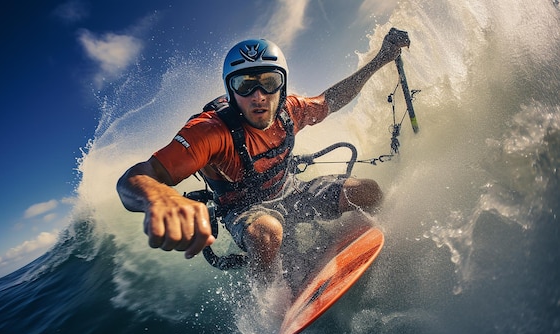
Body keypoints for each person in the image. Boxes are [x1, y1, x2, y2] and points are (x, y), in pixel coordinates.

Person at [117, 28, 410, 278]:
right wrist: (156, 196)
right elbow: (137, 177)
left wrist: (381, 59)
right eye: (244, 85)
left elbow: (332, 99)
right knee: (266, 234)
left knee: (369, 191)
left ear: (281, 87)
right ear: (231, 93)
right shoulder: (209, 132)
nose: (258, 96)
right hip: (244, 209)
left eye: (269, 83)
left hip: (291, 191)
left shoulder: (291, 111)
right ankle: (268, 303)